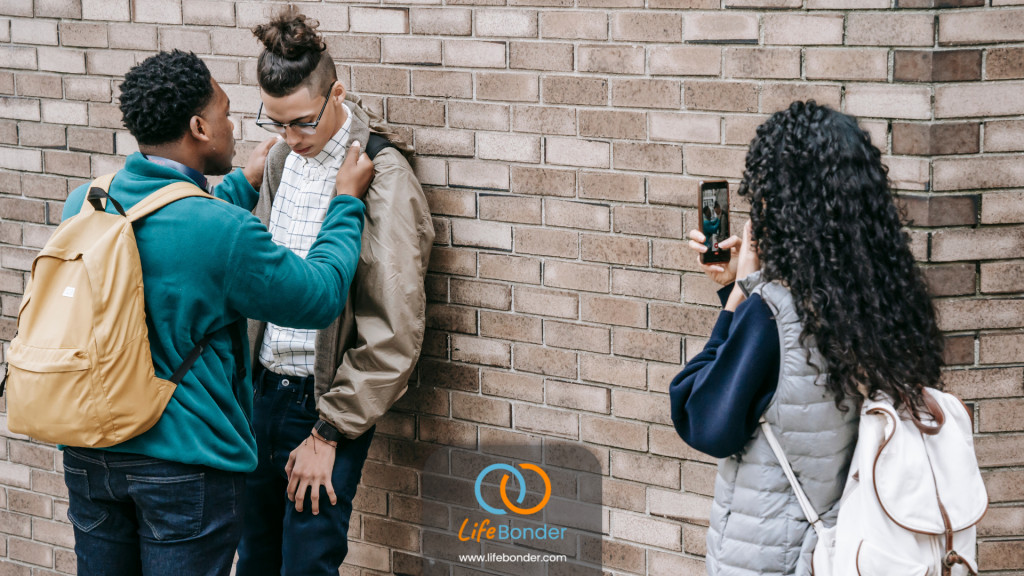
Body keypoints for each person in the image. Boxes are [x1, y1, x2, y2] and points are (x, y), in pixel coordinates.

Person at [59, 50, 374, 576]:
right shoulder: (222, 233)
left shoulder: (89, 202)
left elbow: (163, 222)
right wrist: (345, 203)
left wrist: (239, 185)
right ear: (200, 127)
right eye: (227, 114)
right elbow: (318, 297)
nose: (235, 127)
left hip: (91, 457)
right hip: (181, 470)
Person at [670, 101, 945, 576]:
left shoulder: (769, 315)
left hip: (774, 555)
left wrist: (739, 294)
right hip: (851, 544)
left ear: (778, 202)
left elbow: (701, 419)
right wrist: (740, 289)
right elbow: (781, 384)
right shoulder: (883, 300)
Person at [235, 9, 434, 576]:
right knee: (253, 561)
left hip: (321, 406)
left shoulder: (383, 176)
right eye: (275, 123)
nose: (289, 139)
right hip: (258, 395)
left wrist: (329, 431)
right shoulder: (278, 160)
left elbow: (393, 331)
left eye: (301, 122)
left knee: (307, 565)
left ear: (336, 94)